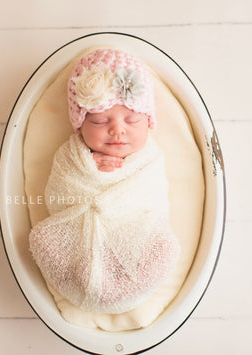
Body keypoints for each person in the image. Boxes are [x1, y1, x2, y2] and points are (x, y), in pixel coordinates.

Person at [29, 49, 180, 315]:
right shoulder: (71, 156)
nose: (118, 130)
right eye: (100, 121)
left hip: (135, 234)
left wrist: (113, 194)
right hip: (79, 242)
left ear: (148, 122)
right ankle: (85, 281)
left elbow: (153, 199)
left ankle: (122, 290)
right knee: (41, 241)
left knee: (166, 249)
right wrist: (92, 170)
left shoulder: (150, 159)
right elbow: (57, 194)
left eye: (132, 119)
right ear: (80, 125)